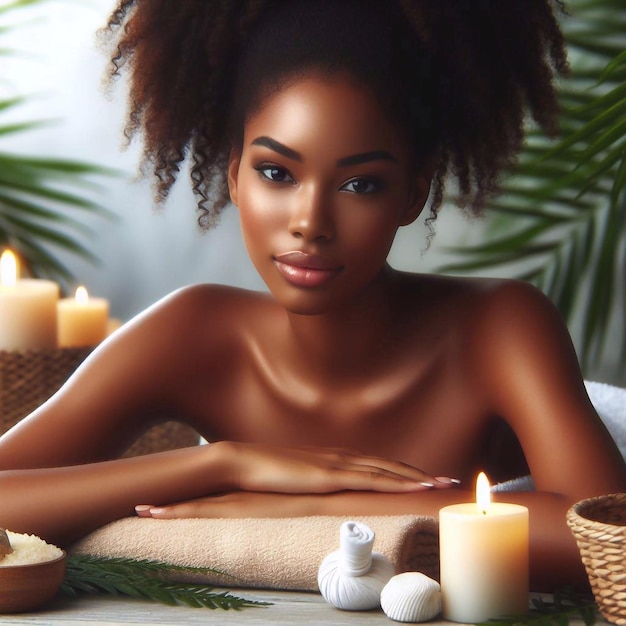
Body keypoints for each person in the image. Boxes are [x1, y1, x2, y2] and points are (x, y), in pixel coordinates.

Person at [0, 0, 624, 593]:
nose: (310, 221)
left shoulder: (499, 326)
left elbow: (598, 534)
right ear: (234, 175)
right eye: (277, 172)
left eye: (360, 183)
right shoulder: (192, 332)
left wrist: (305, 504)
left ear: (412, 194)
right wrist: (219, 466)